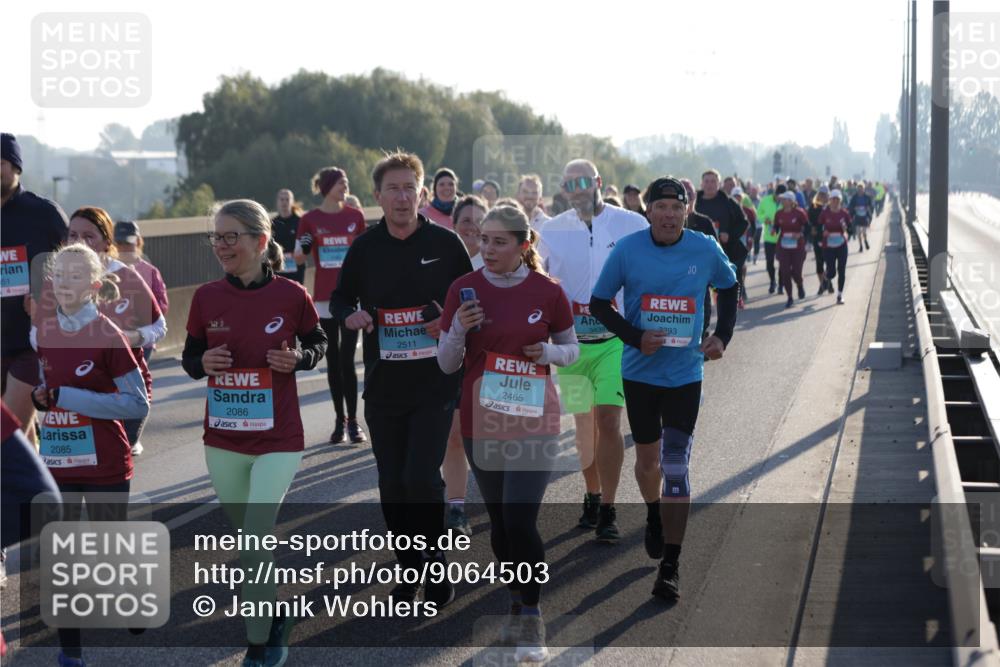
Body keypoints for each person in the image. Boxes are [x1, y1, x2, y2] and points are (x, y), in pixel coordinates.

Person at [183, 199, 327, 667]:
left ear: (261, 242)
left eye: (231, 237)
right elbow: (190, 358)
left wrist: (298, 359)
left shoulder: (290, 295)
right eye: (216, 237)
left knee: (254, 540)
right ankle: (277, 613)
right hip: (224, 440)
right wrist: (202, 363)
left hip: (279, 439)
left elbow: (317, 342)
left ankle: (259, 646)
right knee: (248, 540)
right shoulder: (206, 298)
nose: (221, 246)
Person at [438, 204, 579, 662]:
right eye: (484, 240)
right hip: (483, 420)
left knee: (519, 519)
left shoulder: (549, 292)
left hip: (536, 421)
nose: (488, 249)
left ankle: (532, 614)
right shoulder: (464, 289)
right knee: (500, 525)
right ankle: (519, 594)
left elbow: (572, 350)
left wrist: (548, 354)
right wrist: (458, 327)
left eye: (500, 241)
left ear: (525, 245)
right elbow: (445, 362)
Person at [331, 151, 472, 605]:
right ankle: (408, 569)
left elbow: (471, 303)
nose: (402, 196)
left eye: (410, 187)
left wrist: (448, 322)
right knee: (392, 482)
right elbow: (339, 300)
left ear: (423, 194)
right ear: (377, 196)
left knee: (420, 478)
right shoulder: (366, 248)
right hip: (384, 385)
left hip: (435, 383)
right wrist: (351, 315)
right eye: (392, 188)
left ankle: (435, 570)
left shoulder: (448, 245)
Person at [589, 176, 738, 600]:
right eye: (661, 208)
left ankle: (671, 563)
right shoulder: (629, 250)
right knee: (649, 463)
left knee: (675, 463)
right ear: (648, 212)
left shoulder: (704, 248)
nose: (669, 215)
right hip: (639, 374)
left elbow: (729, 288)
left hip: (685, 375)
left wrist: (722, 336)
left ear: (686, 211)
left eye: (677, 208)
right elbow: (599, 304)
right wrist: (635, 337)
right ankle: (653, 513)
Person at [32, 243, 149, 667]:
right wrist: (42, 398)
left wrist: (72, 397)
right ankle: (71, 654)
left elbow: (137, 403)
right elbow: (50, 389)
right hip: (59, 463)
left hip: (105, 464)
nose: (64, 283)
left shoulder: (108, 334)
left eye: (76, 276)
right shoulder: (43, 331)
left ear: (95, 285)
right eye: (59, 275)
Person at [538, 159, 648, 541]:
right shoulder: (551, 230)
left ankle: (610, 507)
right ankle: (592, 493)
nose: (578, 189)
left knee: (609, 422)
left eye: (584, 181)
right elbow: (534, 278)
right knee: (584, 426)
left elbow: (650, 269)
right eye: (570, 184)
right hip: (571, 345)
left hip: (615, 342)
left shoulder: (631, 223)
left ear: (598, 182)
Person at [36, 208, 165, 459]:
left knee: (109, 466)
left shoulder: (126, 276)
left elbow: (160, 327)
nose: (78, 243)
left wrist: (127, 339)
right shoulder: (57, 279)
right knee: (73, 473)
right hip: (71, 392)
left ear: (107, 242)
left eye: (88, 236)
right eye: (72, 235)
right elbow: (36, 335)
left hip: (122, 394)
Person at [1, 132, 68, 441]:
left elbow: (77, 260)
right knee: (20, 436)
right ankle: (36, 487)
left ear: (16, 168)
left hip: (31, 339)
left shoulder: (43, 214)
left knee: (10, 429)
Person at [295, 167, 368, 444]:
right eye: (340, 182)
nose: (345, 186)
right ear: (326, 187)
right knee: (333, 362)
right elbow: (299, 259)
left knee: (348, 360)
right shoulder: (310, 220)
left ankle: (353, 421)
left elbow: (364, 257)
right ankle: (338, 419)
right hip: (325, 300)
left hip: (351, 298)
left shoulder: (355, 216)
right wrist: (303, 245)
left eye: (347, 182)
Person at [442, 194, 488, 536]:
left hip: (496, 365)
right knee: (455, 436)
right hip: (456, 360)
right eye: (465, 220)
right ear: (453, 226)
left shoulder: (501, 262)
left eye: (478, 220)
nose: (471, 226)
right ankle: (456, 507)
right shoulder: (441, 263)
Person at [114, 220, 170, 360]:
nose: (124, 247)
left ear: (138, 242)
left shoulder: (149, 271)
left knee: (138, 378)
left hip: (143, 339)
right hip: (116, 339)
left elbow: (161, 303)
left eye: (128, 242)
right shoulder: (109, 270)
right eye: (120, 242)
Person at [695, 170, 749, 306]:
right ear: (701, 183)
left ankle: (730, 305)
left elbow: (744, 222)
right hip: (700, 253)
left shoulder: (728, 202)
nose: (709, 185)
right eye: (706, 181)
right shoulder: (694, 202)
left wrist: (729, 235)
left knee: (726, 288)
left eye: (713, 181)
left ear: (719, 184)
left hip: (726, 251)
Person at [679, 178, 719, 343]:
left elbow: (716, 255)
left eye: (689, 194)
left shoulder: (704, 222)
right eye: (683, 194)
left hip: (700, 286)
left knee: (700, 332)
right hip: (674, 286)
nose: (687, 198)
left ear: (695, 196)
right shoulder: (667, 223)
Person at [773, 192, 810, 308]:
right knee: (785, 272)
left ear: (791, 201)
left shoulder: (799, 212)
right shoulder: (779, 213)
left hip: (798, 246)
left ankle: (800, 284)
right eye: (782, 199)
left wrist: (800, 234)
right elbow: (777, 226)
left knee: (796, 272)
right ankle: (790, 297)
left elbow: (807, 227)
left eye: (785, 199)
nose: (782, 201)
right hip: (783, 245)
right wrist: (774, 230)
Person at [820, 190, 852, 304]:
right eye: (833, 199)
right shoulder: (825, 213)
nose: (835, 201)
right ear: (830, 200)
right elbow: (818, 226)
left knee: (842, 270)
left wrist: (846, 230)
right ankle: (825, 277)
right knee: (832, 272)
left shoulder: (844, 213)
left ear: (840, 201)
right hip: (828, 245)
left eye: (837, 199)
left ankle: (839, 295)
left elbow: (850, 229)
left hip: (841, 244)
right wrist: (823, 232)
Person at [272, 189, 305, 284]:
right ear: (277, 202)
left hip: (296, 269)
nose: (284, 202)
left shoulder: (300, 222)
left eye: (287, 199)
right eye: (281, 199)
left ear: (292, 201)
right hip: (279, 268)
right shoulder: (272, 223)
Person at [756, 183, 784, 293]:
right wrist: (765, 219)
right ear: (775, 194)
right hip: (769, 237)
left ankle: (781, 284)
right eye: (779, 196)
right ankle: (773, 281)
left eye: (782, 197)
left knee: (783, 262)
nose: (780, 199)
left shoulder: (787, 202)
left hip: (782, 237)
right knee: (769, 262)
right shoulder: (766, 200)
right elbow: (759, 213)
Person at [806, 186, 830, 294]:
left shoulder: (831, 207)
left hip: (830, 239)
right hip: (817, 238)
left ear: (828, 196)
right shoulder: (813, 206)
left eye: (824, 194)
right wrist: (811, 229)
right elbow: (808, 221)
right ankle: (822, 284)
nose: (822, 196)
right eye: (820, 194)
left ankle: (827, 282)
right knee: (819, 264)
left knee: (829, 263)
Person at [848, 185, 875, 252]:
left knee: (864, 232)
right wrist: (854, 208)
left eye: (861, 189)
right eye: (859, 189)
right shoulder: (854, 197)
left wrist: (867, 208)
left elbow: (871, 206)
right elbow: (850, 206)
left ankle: (865, 241)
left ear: (863, 189)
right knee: (858, 233)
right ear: (857, 190)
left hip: (865, 216)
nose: (860, 191)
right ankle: (860, 246)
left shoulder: (867, 197)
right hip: (857, 216)